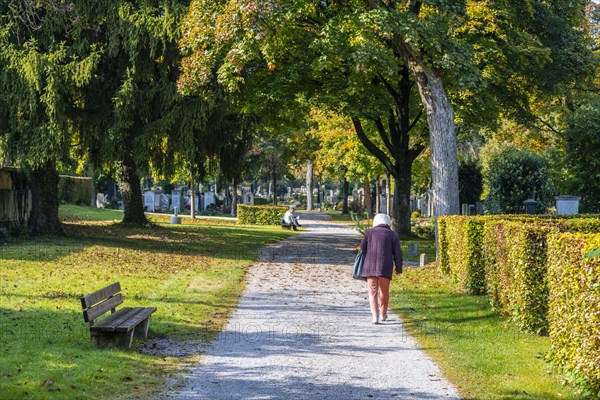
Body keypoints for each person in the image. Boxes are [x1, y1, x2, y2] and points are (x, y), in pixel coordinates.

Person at [360, 213, 403, 324]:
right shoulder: (393, 235)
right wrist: (399, 269)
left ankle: (375, 316)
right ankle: (383, 313)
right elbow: (398, 254)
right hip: (385, 267)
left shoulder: (368, 233)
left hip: (370, 267)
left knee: (372, 292)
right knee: (384, 292)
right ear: (387, 222)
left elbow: (362, 249)